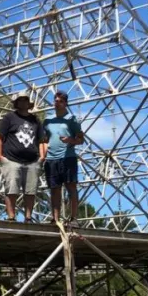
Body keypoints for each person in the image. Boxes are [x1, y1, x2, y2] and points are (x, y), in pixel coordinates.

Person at [0, 91, 44, 222]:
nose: (23, 102)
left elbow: (41, 140)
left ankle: (28, 217)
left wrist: (41, 157)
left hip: (32, 161)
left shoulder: (35, 120)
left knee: (30, 191)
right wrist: (0, 156)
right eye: (20, 100)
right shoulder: (9, 118)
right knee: (11, 188)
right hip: (11, 160)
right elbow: (0, 137)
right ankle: (11, 216)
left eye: (25, 99)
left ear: (29, 103)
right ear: (16, 103)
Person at [42, 90, 84, 225]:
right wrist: (42, 154)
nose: (57, 103)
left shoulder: (72, 119)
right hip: (51, 158)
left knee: (71, 187)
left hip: (68, 157)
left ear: (65, 103)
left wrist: (70, 140)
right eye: (55, 100)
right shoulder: (47, 120)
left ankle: (74, 218)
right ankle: (55, 218)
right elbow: (44, 139)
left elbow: (81, 139)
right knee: (54, 189)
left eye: (60, 101)